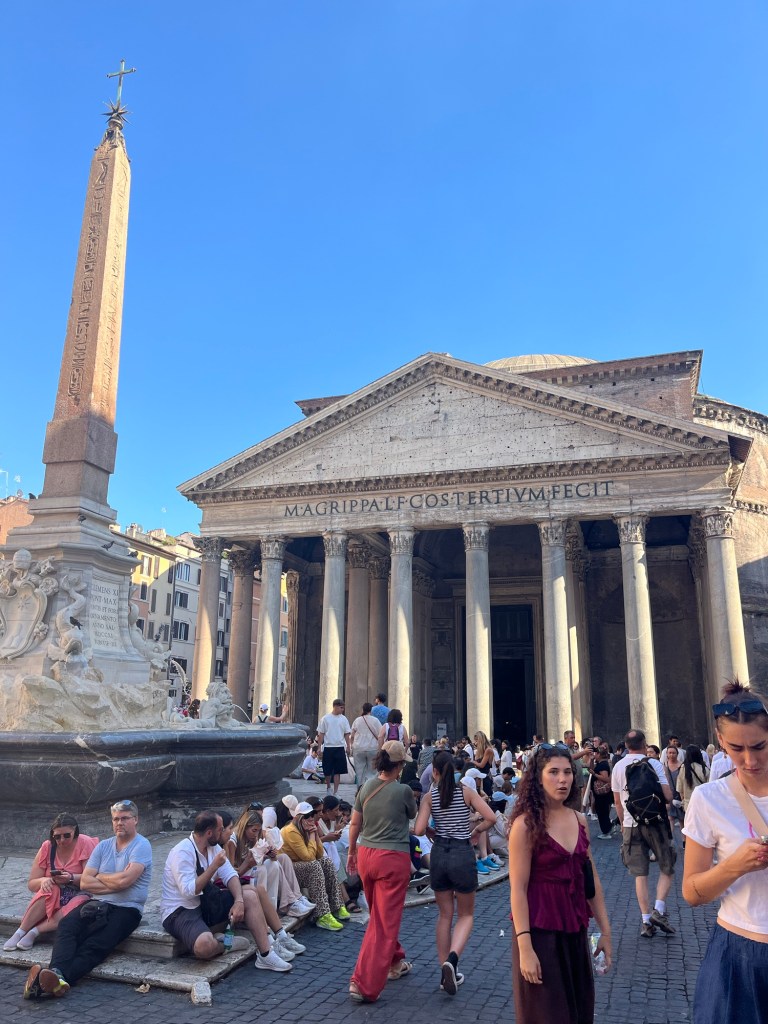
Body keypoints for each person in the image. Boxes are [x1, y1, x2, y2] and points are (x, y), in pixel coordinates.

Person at [682, 681, 768, 1024]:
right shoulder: (708, 799)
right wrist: (735, 866)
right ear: (720, 741)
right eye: (736, 748)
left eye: (759, 746)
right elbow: (692, 892)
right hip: (738, 954)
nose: (749, 760)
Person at [508, 743, 612, 1023]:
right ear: (538, 777)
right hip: (539, 933)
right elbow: (517, 889)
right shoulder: (524, 825)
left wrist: (606, 931)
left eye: (567, 772)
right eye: (553, 772)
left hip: (574, 930)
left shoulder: (579, 820)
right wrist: (525, 948)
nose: (563, 779)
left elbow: (590, 879)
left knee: (579, 1012)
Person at [24, 800, 152, 1000]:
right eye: (116, 819)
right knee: (67, 926)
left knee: (96, 944)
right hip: (96, 903)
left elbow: (125, 881)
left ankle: (54, 979)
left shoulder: (142, 845)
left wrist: (99, 876)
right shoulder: (103, 846)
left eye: (125, 818)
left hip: (127, 908)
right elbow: (85, 882)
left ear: (135, 820)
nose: (119, 823)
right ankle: (56, 975)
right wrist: (114, 881)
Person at [160, 810, 300, 969]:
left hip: (206, 903)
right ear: (209, 833)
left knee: (249, 894)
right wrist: (213, 867)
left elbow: (230, 875)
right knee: (204, 947)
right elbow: (188, 891)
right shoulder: (182, 852)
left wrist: (239, 901)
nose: (225, 832)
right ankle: (227, 945)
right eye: (220, 829)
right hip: (180, 910)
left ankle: (266, 954)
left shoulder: (213, 848)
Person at [410, 749, 496, 995]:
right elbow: (490, 817)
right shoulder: (466, 792)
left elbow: (418, 829)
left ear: (434, 772)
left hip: (439, 853)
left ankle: (443, 969)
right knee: (465, 915)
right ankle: (453, 959)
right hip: (461, 852)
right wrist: (476, 831)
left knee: (444, 915)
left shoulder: (429, 797)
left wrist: (431, 831)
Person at [346, 740, 417, 1003]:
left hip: (366, 855)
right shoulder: (404, 790)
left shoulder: (366, 786)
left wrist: (351, 852)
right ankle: (363, 983)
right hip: (392, 859)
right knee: (383, 923)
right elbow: (412, 814)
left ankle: (395, 962)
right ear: (399, 766)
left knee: (379, 915)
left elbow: (355, 823)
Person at [611, 729, 676, 937]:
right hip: (655, 822)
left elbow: (617, 802)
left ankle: (646, 921)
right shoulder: (654, 764)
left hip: (631, 824)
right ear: (644, 743)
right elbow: (668, 796)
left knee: (640, 874)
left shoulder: (618, 766)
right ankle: (659, 909)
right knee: (667, 866)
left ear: (626, 745)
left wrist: (623, 824)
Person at [5, 815, 98, 952]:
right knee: (49, 887)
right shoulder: (47, 847)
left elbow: (90, 879)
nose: (62, 840)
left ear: (75, 831)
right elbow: (32, 884)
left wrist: (70, 878)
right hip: (56, 891)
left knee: (78, 902)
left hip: (80, 890)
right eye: (57, 837)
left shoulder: (85, 843)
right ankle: (20, 932)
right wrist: (44, 880)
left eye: (67, 835)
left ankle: (35, 932)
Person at [228, 806, 313, 919]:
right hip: (242, 875)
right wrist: (248, 863)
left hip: (250, 868)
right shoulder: (233, 841)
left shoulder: (252, 837)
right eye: (254, 830)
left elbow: (258, 859)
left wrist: (269, 855)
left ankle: (296, 898)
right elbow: (232, 874)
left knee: (282, 858)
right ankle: (287, 904)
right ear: (245, 826)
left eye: (258, 830)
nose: (256, 834)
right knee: (267, 867)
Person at [280, 801, 347, 931]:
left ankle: (336, 905)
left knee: (326, 862)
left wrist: (315, 834)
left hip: (300, 864)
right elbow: (309, 857)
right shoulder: (291, 831)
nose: (310, 818)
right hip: (289, 869)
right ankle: (322, 914)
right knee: (314, 866)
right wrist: (312, 835)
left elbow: (320, 854)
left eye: (312, 814)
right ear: (298, 818)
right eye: (307, 816)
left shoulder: (305, 829)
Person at [317, 698, 352, 795]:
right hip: (328, 746)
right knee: (327, 770)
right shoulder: (325, 718)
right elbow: (321, 734)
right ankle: (328, 787)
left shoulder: (344, 719)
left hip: (340, 746)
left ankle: (336, 791)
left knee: (338, 771)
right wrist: (319, 747)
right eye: (341, 708)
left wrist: (348, 746)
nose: (342, 710)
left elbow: (347, 734)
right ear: (335, 707)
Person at [349, 702, 381, 787]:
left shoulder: (357, 720)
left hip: (358, 748)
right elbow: (381, 734)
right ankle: (369, 788)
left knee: (359, 771)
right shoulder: (375, 720)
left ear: (363, 709)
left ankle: (360, 788)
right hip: (372, 748)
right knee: (372, 771)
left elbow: (352, 735)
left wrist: (351, 745)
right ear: (371, 710)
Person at [586, 745, 615, 839]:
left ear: (599, 754)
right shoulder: (600, 763)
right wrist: (591, 760)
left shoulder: (603, 765)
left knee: (602, 812)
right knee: (601, 811)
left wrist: (595, 774)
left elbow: (605, 778)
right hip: (599, 793)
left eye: (595, 753)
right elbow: (590, 769)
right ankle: (608, 829)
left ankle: (606, 831)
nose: (594, 754)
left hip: (603, 793)